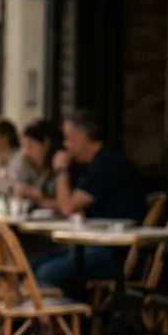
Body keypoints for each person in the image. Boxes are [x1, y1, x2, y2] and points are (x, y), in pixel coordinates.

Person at [30, 110, 146, 293]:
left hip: (115, 250)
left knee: (47, 273)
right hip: (88, 244)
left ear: (82, 137)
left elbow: (67, 207)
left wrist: (61, 170)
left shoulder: (108, 163)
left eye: (68, 138)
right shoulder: (88, 166)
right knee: (31, 265)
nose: (65, 145)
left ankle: (69, 310)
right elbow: (65, 204)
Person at [14, 118, 64, 211]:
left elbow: (64, 205)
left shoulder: (62, 166)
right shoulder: (41, 168)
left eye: (30, 146)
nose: (27, 152)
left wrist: (37, 198)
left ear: (46, 143)